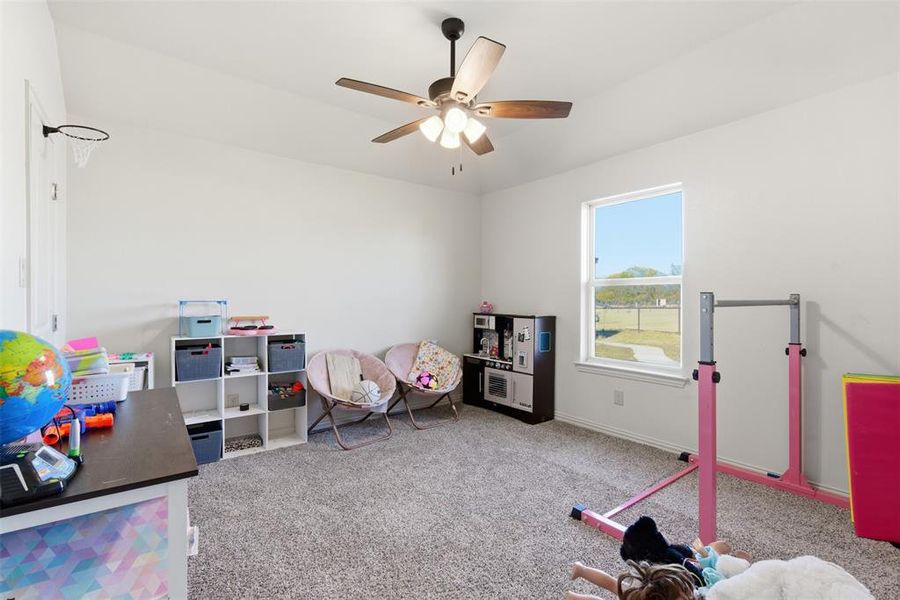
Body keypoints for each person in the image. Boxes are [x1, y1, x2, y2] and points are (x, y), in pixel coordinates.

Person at [567, 560, 696, 600]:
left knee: (613, 583)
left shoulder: (683, 589)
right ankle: (574, 597)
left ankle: (581, 570)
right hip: (645, 592)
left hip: (646, 588)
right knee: (613, 584)